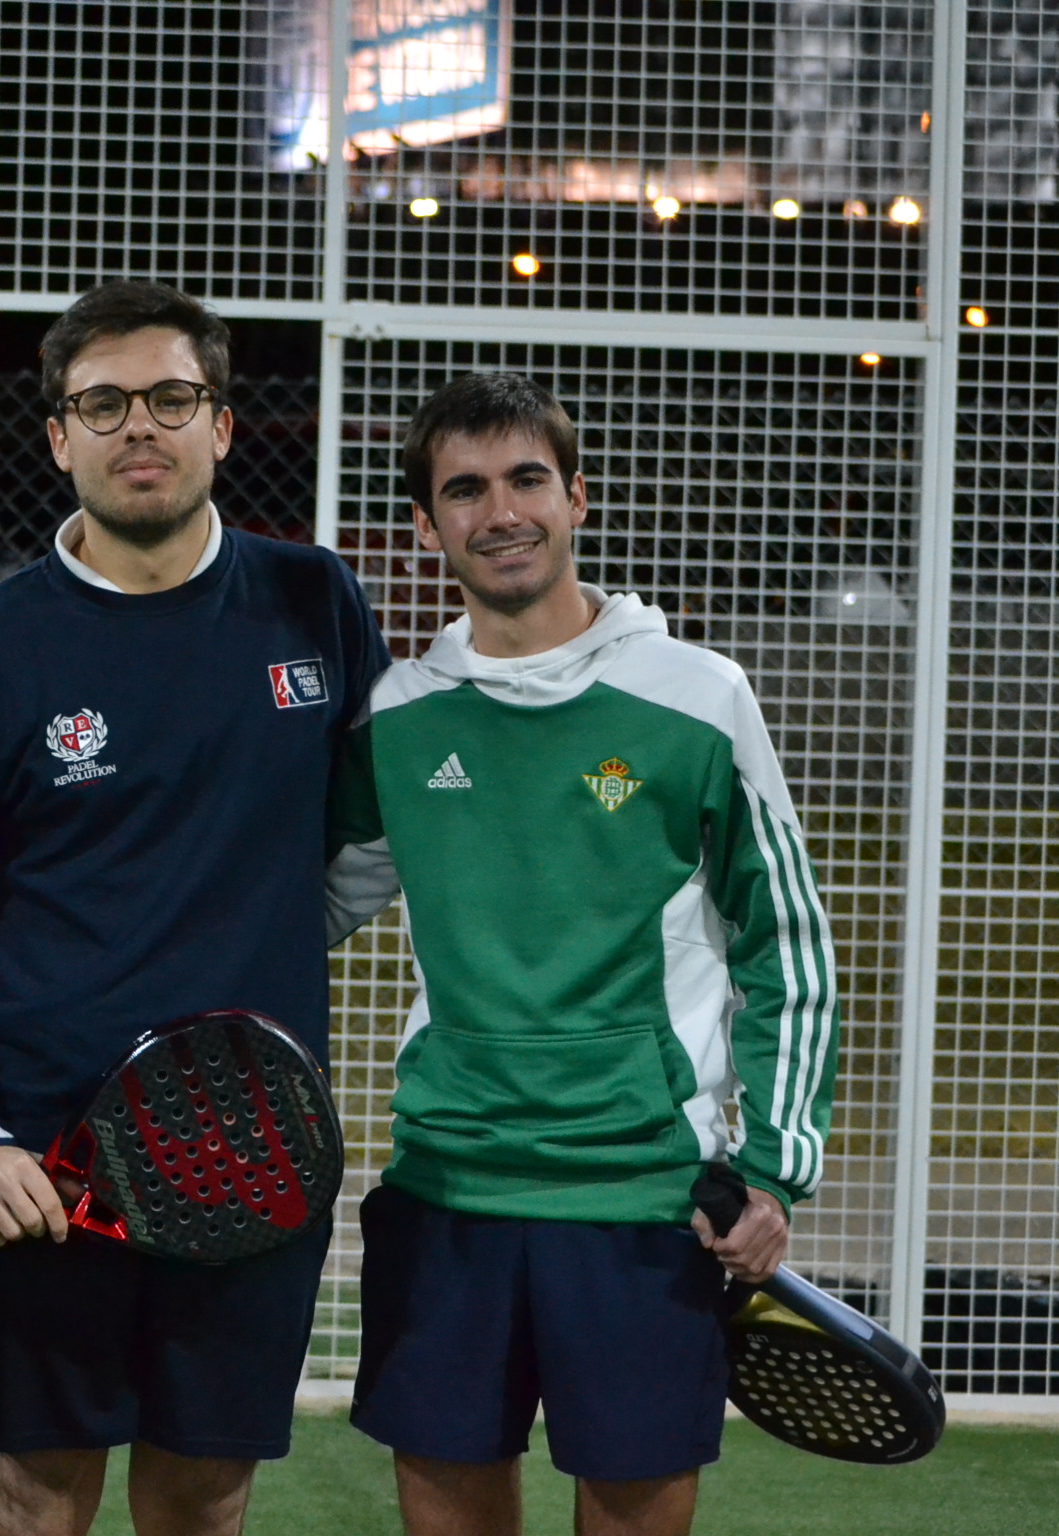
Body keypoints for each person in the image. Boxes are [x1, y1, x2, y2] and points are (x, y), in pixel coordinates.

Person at [0, 281, 389, 1536]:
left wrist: (276, 933)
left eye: (171, 398)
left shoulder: (315, 602)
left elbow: (371, 831)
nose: (139, 425)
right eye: (103, 404)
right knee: (34, 1497)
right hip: (42, 1172)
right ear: (59, 437)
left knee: (207, 1497)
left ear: (223, 425)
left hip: (250, 1157)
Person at [324, 372, 840, 1536]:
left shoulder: (699, 696)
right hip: (446, 1188)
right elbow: (294, 907)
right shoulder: (398, 716)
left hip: (643, 1200)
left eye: (527, 480)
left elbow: (787, 944)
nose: (501, 512)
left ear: (577, 499)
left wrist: (775, 1166)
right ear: (427, 526)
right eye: (465, 490)